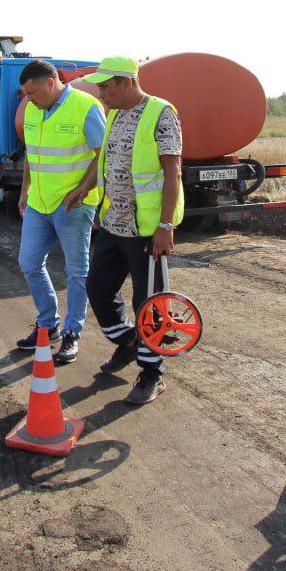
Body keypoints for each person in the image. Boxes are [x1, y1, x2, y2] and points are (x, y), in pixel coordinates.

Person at [80, 56, 185, 405]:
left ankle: (152, 373)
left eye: (106, 86)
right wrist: (88, 194)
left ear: (126, 82)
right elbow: (107, 163)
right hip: (113, 225)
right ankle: (129, 342)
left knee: (150, 304)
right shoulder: (114, 114)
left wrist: (166, 227)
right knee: (97, 288)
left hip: (146, 230)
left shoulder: (161, 113)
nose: (101, 93)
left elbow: (173, 174)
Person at [16, 59, 107, 366]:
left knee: (76, 272)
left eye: (33, 92)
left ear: (50, 84)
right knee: (28, 262)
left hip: (73, 206)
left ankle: (72, 334)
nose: (29, 98)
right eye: (25, 94)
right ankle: (48, 323)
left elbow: (102, 156)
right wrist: (24, 190)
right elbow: (32, 153)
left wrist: (83, 188)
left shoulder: (86, 106)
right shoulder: (32, 109)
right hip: (39, 204)